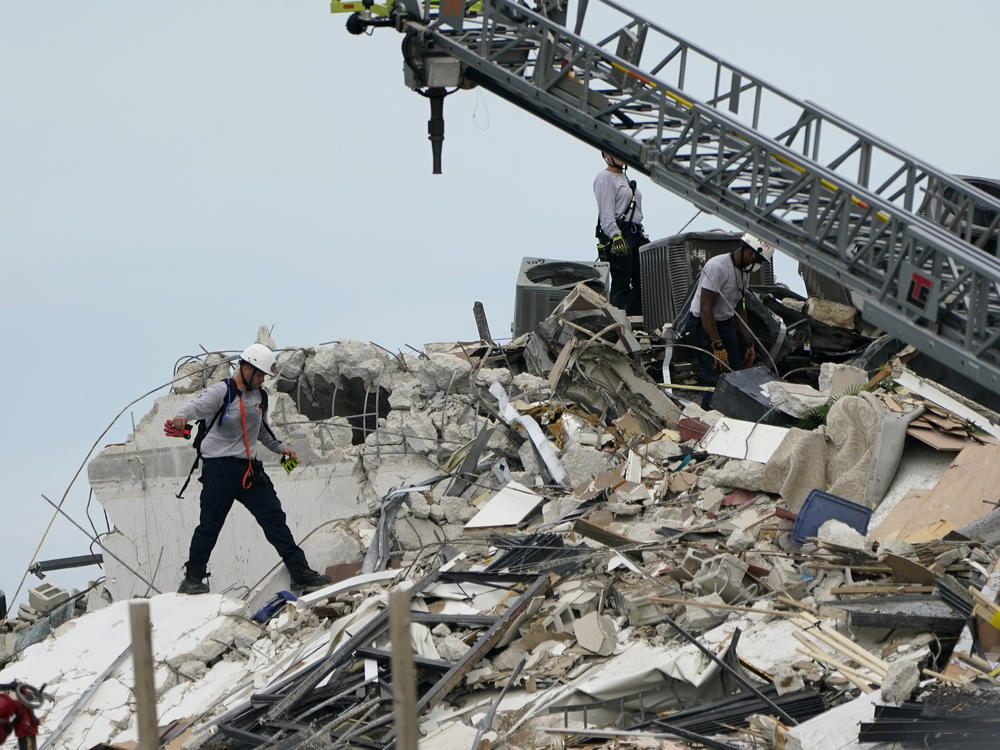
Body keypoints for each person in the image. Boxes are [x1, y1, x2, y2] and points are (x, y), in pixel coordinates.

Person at [167, 343, 332, 595]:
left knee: (274, 518)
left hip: (248, 470)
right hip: (219, 469)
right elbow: (194, 408)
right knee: (209, 525)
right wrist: (181, 418)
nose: (262, 379)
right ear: (245, 368)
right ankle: (192, 578)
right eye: (259, 374)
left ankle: (300, 572)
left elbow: (260, 430)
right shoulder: (221, 392)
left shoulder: (259, 396)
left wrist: (280, 448)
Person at [689, 233, 774, 408]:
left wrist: (748, 341)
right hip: (704, 323)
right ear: (749, 252)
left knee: (735, 371)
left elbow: (738, 308)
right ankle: (707, 415)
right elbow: (706, 309)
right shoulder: (718, 267)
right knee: (715, 375)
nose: (756, 264)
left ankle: (731, 413)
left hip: (725, 322)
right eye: (757, 259)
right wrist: (717, 344)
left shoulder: (743, 273)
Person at [593, 150, 649, 316]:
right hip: (620, 234)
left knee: (645, 278)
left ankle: (639, 319)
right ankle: (622, 323)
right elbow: (606, 212)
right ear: (606, 156)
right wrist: (615, 235)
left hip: (636, 234)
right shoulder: (604, 178)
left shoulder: (624, 178)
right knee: (621, 282)